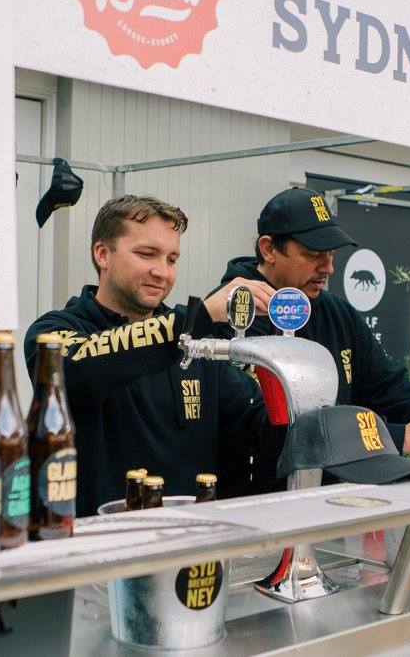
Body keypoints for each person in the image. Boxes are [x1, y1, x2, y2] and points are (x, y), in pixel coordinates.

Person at [24, 194, 277, 516]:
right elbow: (80, 368)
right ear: (102, 254)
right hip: (94, 543)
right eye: (147, 254)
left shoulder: (198, 341)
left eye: (172, 260)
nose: (163, 272)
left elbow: (253, 426)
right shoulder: (53, 330)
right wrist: (198, 318)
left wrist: (300, 399)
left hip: (185, 541)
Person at [212, 187, 410, 463]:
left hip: (337, 488)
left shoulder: (337, 312)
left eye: (332, 254)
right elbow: (271, 429)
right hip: (257, 500)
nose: (328, 268)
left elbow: (387, 388)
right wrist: (394, 436)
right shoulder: (231, 316)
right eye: (313, 255)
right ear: (269, 248)